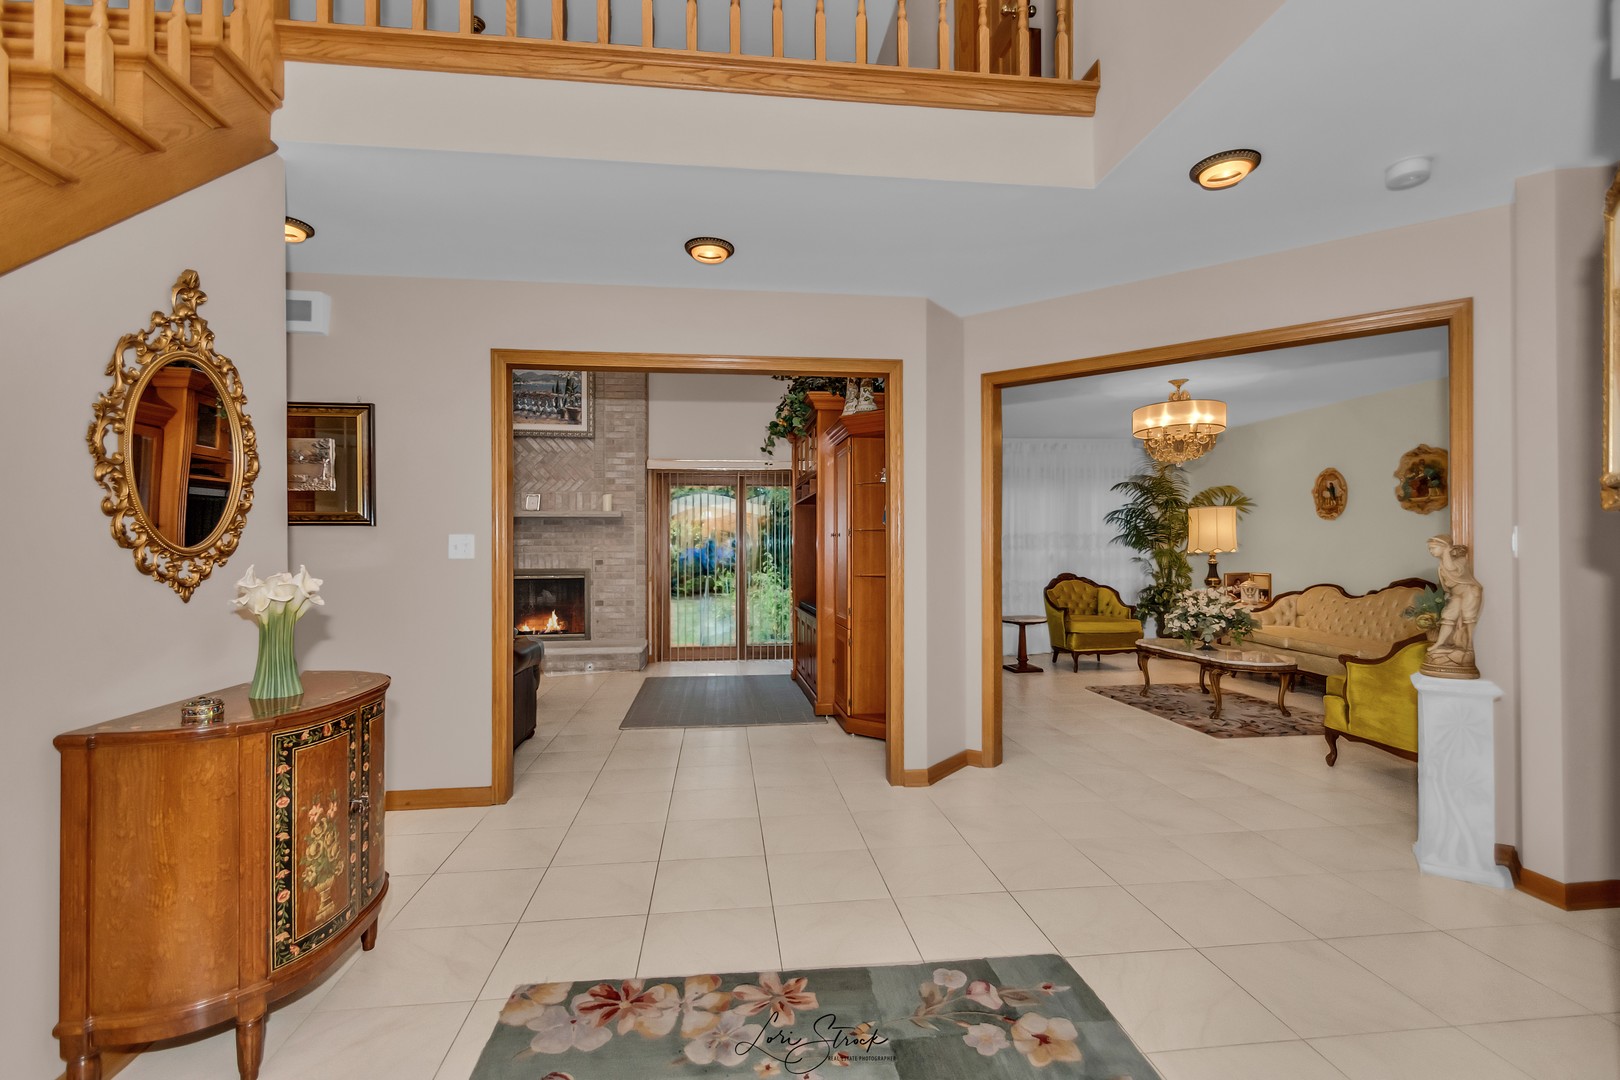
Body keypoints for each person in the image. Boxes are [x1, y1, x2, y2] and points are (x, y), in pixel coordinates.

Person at [1425, 534, 1481, 673]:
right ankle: (1440, 643)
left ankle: (1469, 645)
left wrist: (1447, 552)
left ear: (1445, 547)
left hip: (1469, 592)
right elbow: (1446, 585)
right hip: (1456, 595)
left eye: (1433, 548)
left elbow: (1452, 569)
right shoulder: (1441, 566)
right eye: (1430, 549)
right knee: (1448, 618)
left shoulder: (1460, 561)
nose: (1431, 551)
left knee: (1469, 618)